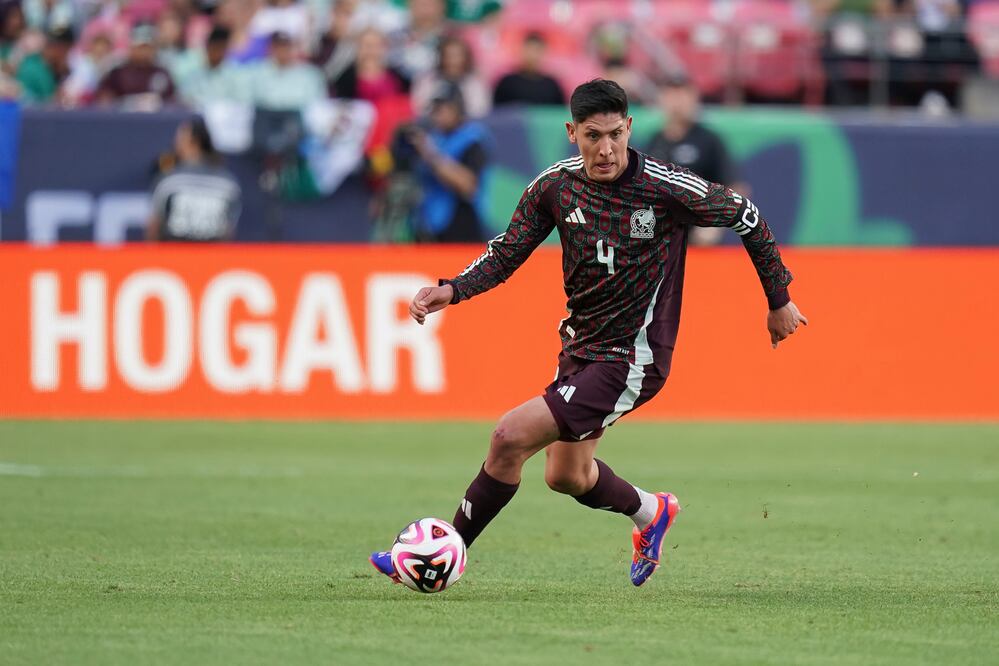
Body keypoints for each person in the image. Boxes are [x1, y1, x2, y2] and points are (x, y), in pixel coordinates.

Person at [369, 79, 807, 587]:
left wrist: (778, 300)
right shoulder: (555, 187)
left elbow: (747, 216)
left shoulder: (665, 187)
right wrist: (453, 289)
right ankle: (652, 512)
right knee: (567, 475)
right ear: (571, 132)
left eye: (615, 134)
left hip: (634, 356)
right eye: (592, 136)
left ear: (630, 128)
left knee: (509, 437)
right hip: (580, 348)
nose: (605, 149)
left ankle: (440, 555)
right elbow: (508, 251)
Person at [645, 73, 749, 246]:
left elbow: (736, 188)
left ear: (694, 99)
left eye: (683, 95)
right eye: (671, 95)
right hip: (662, 238)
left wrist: (716, 225)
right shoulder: (654, 141)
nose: (677, 102)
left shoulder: (709, 140)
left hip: (699, 237)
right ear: (661, 99)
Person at [393, 81, 490, 242]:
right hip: (428, 225)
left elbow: (468, 186)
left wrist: (430, 156)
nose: (436, 115)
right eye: (435, 109)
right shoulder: (434, 136)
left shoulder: (472, 139)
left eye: (442, 108)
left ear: (457, 109)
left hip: (461, 228)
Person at [147, 117, 241, 242]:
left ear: (195, 142)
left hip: (178, 252)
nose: (176, 144)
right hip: (207, 253)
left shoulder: (169, 181)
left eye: (181, 139)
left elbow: (154, 226)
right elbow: (229, 231)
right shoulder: (228, 183)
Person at [96, 24, 177, 109]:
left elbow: (172, 101)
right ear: (132, 48)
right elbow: (104, 99)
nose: (144, 52)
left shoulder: (161, 73)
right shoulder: (118, 73)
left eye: (148, 47)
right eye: (141, 47)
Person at [411, 34, 489, 118]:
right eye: (448, 55)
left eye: (457, 55)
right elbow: (420, 108)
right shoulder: (428, 80)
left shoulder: (474, 82)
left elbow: (480, 110)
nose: (452, 60)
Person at [492, 31, 565, 108]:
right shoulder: (507, 83)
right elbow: (497, 111)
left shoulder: (551, 86)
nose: (532, 55)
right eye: (529, 49)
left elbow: (559, 111)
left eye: (536, 50)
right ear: (522, 50)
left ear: (543, 52)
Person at [15, 25, 72, 104]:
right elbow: (50, 102)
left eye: (58, 46)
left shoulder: (71, 66)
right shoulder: (38, 68)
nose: (52, 50)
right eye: (50, 45)